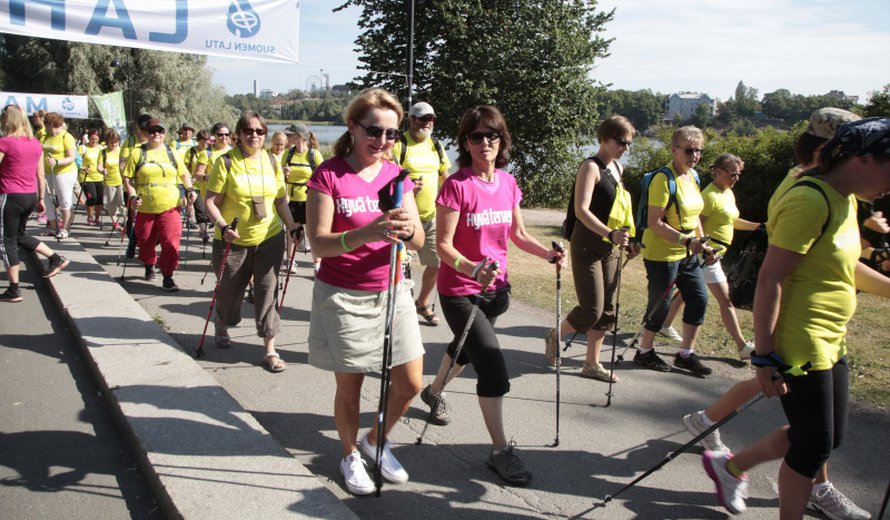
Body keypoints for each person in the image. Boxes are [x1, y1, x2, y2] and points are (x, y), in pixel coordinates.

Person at [702, 118, 890, 519]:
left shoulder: (846, 198)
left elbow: (844, 266)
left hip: (831, 338)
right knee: (812, 447)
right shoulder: (811, 199)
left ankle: (731, 466)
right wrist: (765, 356)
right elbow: (771, 279)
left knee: (826, 438)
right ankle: (745, 477)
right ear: (862, 159)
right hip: (801, 342)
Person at [419, 105, 564, 486]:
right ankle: (500, 450)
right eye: (477, 137)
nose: (486, 143)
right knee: (493, 367)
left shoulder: (508, 183)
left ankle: (431, 392)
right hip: (461, 291)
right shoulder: (456, 185)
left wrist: (549, 254)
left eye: (493, 136)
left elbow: (517, 235)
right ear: (465, 143)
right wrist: (471, 269)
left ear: (503, 141)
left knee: (465, 349)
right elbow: (443, 245)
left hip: (497, 291)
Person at [305, 88, 425, 496]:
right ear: (353, 127)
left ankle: (375, 440)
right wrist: (367, 233)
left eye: (393, 134)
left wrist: (409, 231)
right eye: (375, 131)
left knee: (411, 383)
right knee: (351, 387)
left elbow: (421, 240)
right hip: (344, 293)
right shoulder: (329, 174)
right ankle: (350, 453)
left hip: (393, 290)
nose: (384, 141)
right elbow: (319, 243)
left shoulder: (398, 175)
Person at [543, 115, 637, 382]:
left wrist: (629, 238)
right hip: (588, 244)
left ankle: (591, 364)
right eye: (621, 142)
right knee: (592, 309)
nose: (625, 148)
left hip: (612, 245)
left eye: (629, 143)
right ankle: (554, 335)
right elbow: (581, 210)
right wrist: (610, 233)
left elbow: (619, 209)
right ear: (605, 138)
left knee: (607, 309)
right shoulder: (590, 167)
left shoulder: (618, 169)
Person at [203, 111, 299, 371]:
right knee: (229, 294)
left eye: (259, 131)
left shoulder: (271, 161)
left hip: (269, 238)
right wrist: (222, 226)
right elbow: (210, 201)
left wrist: (292, 227)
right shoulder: (226, 162)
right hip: (232, 240)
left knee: (268, 291)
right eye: (248, 131)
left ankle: (270, 350)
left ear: (265, 134)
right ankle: (223, 322)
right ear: (239, 134)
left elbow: (280, 200)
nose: (254, 135)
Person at [633, 126, 717, 376]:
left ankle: (685, 354)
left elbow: (694, 218)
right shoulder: (663, 179)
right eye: (689, 150)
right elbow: (654, 222)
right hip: (662, 253)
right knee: (661, 303)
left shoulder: (693, 177)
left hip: (688, 253)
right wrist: (686, 241)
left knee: (699, 299)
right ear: (674, 150)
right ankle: (644, 351)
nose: (695, 155)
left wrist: (704, 244)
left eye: (699, 150)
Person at [660, 153, 762, 360]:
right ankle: (743, 346)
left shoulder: (727, 194)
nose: (737, 178)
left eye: (739, 174)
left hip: (716, 255)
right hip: (706, 255)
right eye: (733, 173)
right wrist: (702, 249)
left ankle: (663, 324)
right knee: (726, 300)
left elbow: (731, 220)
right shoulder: (709, 196)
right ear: (718, 171)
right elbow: (695, 224)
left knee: (684, 293)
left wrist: (757, 226)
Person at [0, 105, 68, 302]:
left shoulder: (5, 143)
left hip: (10, 196)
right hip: (29, 195)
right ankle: (55, 258)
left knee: (6, 241)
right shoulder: (35, 143)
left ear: (7, 120)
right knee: (19, 236)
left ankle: (14, 289)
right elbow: (40, 175)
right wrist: (40, 199)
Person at [392, 101, 452, 326]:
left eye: (431, 119)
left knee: (438, 262)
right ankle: (400, 308)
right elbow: (388, 176)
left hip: (431, 216)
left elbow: (446, 176)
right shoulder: (400, 144)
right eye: (422, 118)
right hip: (404, 217)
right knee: (401, 265)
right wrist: (407, 184)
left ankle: (422, 302)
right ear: (411, 120)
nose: (427, 123)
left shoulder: (436, 145)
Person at [122, 118, 198, 292]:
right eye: (152, 131)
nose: (156, 134)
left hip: (170, 204)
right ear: (146, 134)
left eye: (160, 131)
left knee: (171, 240)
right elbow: (127, 179)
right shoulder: (137, 153)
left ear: (165, 134)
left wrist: (190, 189)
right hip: (145, 205)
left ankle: (168, 276)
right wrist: (133, 196)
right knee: (145, 239)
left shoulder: (172, 153)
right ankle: (149, 264)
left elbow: (184, 174)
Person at [281, 123, 323, 273]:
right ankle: (291, 263)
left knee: (311, 232)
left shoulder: (313, 154)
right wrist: (283, 172)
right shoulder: (288, 154)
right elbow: (280, 177)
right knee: (292, 230)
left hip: (308, 198)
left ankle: (317, 265)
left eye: (290, 134)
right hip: (291, 198)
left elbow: (323, 176)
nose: (287, 137)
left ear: (299, 136)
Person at [40, 112, 78, 239]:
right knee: (46, 200)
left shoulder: (66, 137)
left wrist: (57, 162)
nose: (44, 127)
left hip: (64, 172)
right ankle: (54, 227)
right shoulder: (44, 137)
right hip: (46, 173)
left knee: (65, 200)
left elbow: (71, 157)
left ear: (50, 124)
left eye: (46, 124)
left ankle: (66, 229)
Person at [194, 123, 232, 243]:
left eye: (227, 134)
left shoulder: (234, 151)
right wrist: (208, 177)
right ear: (214, 136)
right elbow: (198, 174)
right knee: (220, 224)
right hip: (213, 195)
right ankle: (219, 252)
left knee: (229, 222)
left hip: (230, 193)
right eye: (220, 134)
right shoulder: (206, 153)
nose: (224, 137)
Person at [97, 129, 125, 231]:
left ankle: (126, 222)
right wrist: (103, 171)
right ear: (107, 142)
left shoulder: (122, 151)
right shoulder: (103, 152)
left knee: (123, 203)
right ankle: (114, 222)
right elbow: (99, 167)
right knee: (111, 204)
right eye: (111, 142)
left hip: (122, 181)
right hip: (109, 182)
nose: (113, 144)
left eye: (115, 142)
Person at [78, 128, 105, 226]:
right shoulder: (83, 148)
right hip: (86, 177)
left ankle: (97, 218)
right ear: (88, 138)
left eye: (96, 139)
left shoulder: (101, 149)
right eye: (92, 139)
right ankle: (90, 217)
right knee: (92, 197)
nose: (94, 141)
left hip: (99, 177)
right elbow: (77, 159)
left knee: (99, 199)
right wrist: (82, 167)